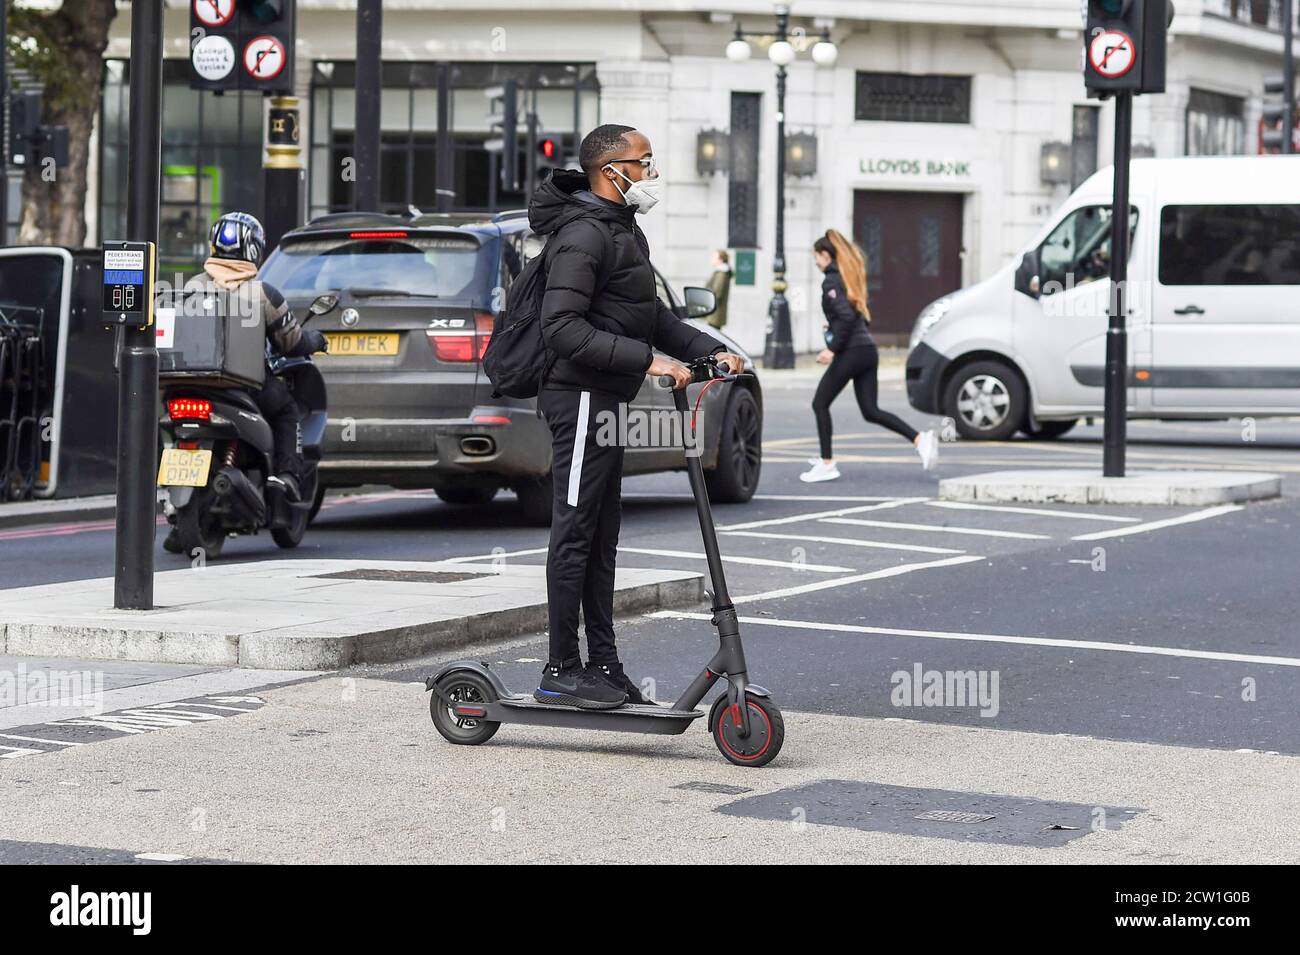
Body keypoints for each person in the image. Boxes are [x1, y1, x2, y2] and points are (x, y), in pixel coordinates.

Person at [529, 123, 745, 709]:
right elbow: (563, 329)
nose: (651, 174)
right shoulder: (582, 236)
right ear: (611, 170)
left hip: (608, 400)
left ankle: (602, 663)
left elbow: (650, 317)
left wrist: (707, 349)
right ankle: (559, 669)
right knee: (574, 530)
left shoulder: (623, 231)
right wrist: (650, 362)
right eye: (644, 162)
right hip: (577, 398)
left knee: (602, 535)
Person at [800, 229, 937, 483]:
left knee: (820, 403)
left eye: (816, 257)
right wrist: (833, 328)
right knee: (871, 410)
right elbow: (857, 316)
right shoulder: (847, 277)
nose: (816, 262)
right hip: (866, 351)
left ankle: (827, 463)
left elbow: (847, 317)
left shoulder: (831, 281)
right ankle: (920, 440)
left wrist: (832, 348)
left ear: (826, 255)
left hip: (852, 352)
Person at [704, 249, 731, 330]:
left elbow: (717, 293)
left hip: (715, 314)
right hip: (714, 313)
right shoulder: (720, 272)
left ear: (720, 259)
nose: (711, 259)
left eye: (714, 257)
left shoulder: (721, 273)